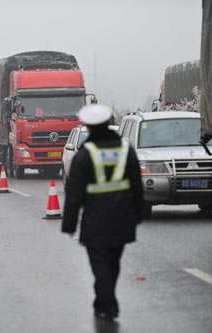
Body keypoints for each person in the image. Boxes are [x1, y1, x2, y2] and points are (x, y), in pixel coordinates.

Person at [62, 104, 144, 321]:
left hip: (95, 221)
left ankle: (106, 304)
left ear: (88, 128)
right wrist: (141, 212)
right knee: (113, 263)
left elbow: (74, 193)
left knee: (100, 265)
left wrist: (69, 224)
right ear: (109, 124)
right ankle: (106, 300)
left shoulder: (84, 155)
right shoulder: (126, 151)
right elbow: (137, 184)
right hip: (123, 218)